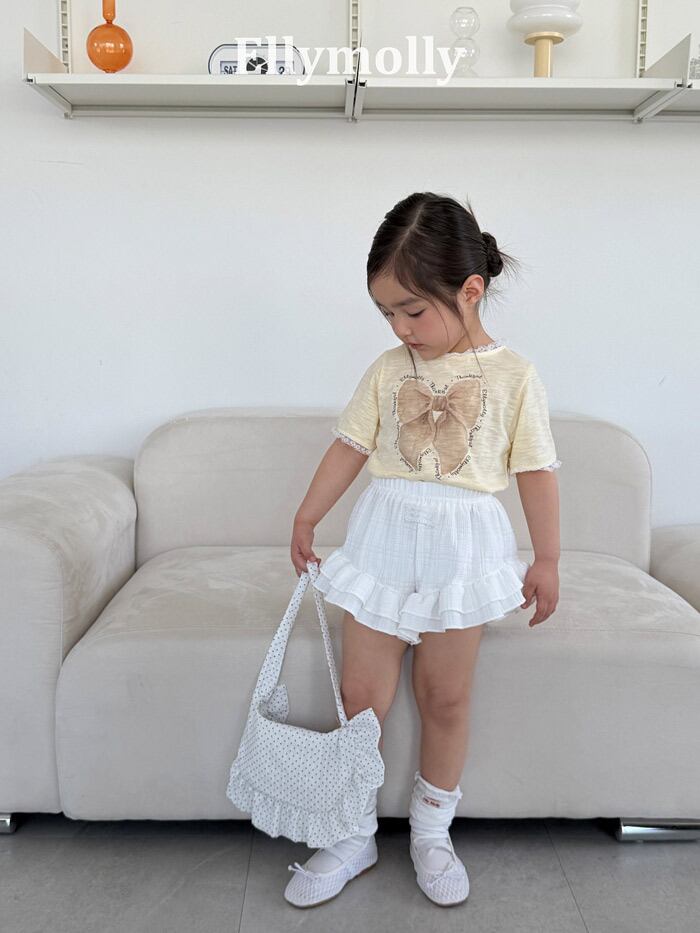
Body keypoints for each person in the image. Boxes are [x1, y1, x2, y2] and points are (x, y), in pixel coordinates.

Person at [286, 191, 561, 908]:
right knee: (360, 696)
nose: (400, 328)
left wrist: (548, 559)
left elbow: (536, 470)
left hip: (462, 550)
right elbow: (350, 445)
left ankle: (432, 832)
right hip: (384, 538)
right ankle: (351, 832)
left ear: (470, 291)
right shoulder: (387, 369)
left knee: (444, 695)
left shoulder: (515, 375)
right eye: (386, 314)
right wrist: (308, 515)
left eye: (412, 311)